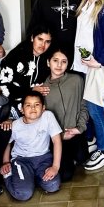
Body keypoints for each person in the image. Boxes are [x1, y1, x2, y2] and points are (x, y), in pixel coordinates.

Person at [72, 0, 104, 172]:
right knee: (85, 108)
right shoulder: (83, 8)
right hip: (81, 67)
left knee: (95, 110)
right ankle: (91, 140)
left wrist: (98, 62)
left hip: (96, 69)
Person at [1, 92, 62, 201]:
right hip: (22, 160)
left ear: (43, 108)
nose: (33, 108)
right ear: (22, 109)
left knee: (53, 185)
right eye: (28, 105)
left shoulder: (48, 116)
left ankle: (32, 178)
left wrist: (55, 167)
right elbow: (8, 143)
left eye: (37, 104)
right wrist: (6, 162)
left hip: (43, 158)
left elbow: (57, 141)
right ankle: (10, 176)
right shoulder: (15, 125)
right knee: (23, 194)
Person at [43, 49, 89, 182]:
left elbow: (84, 105)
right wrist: (60, 135)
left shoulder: (76, 80)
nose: (59, 65)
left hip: (74, 132)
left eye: (64, 62)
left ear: (68, 64)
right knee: (65, 176)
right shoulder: (43, 88)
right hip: (56, 138)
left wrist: (79, 128)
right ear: (48, 62)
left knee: (82, 157)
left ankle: (75, 156)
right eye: (55, 61)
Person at [0, 26, 53, 110]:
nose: (43, 45)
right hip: (12, 104)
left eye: (47, 41)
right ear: (32, 38)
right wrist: (30, 90)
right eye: (40, 39)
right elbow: (4, 87)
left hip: (37, 105)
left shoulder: (49, 58)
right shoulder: (15, 56)